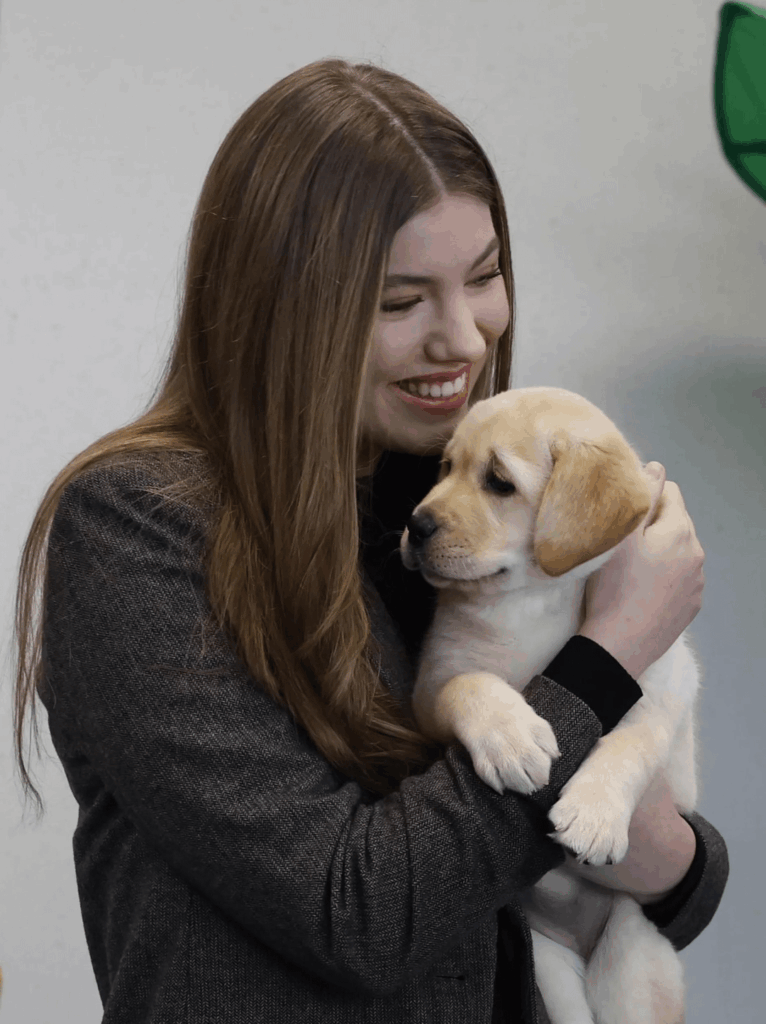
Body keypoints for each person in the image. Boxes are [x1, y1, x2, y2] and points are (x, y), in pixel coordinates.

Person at [12, 58, 728, 1023]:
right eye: (401, 302)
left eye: (483, 278)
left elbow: (669, 886)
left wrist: (645, 831)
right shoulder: (137, 528)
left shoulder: (456, 501)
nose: (465, 340)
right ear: (281, 307)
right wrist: (609, 659)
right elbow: (359, 915)